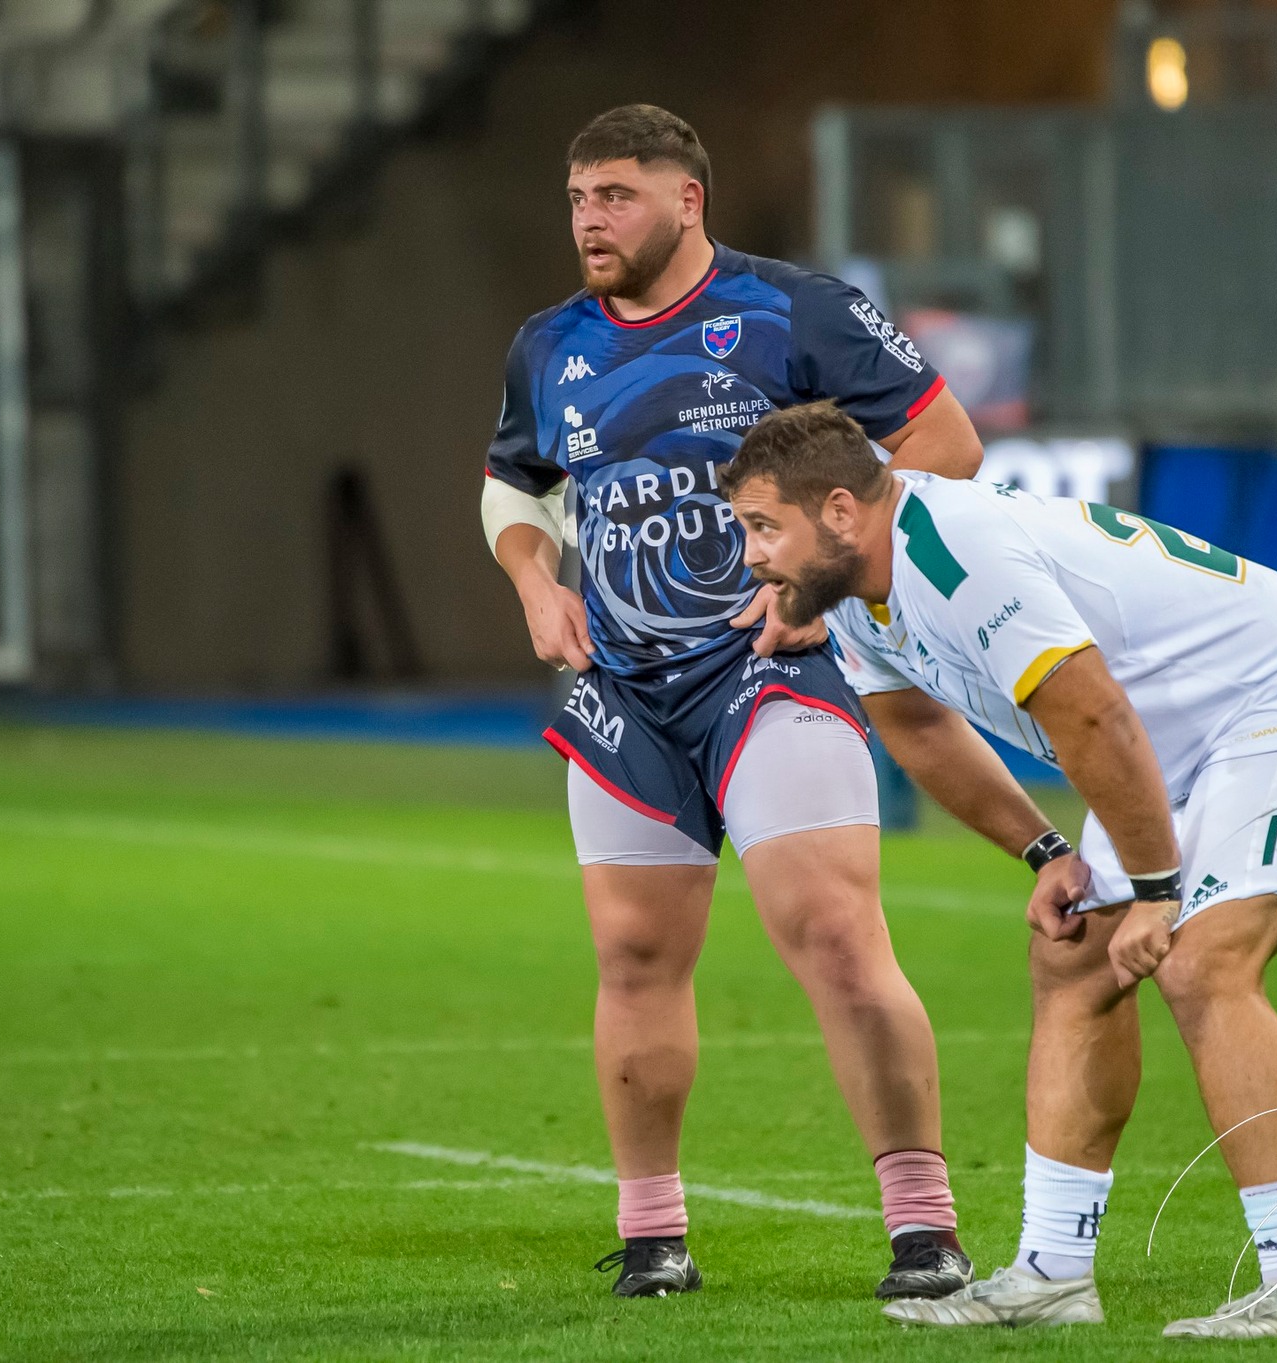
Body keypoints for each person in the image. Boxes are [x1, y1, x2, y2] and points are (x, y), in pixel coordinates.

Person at [718, 402, 1277, 1337]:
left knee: (1203, 964)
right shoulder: (859, 589)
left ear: (839, 510)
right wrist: (1047, 851)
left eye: (763, 526)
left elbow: (1092, 714)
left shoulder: (954, 554)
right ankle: (1052, 1273)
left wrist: (1156, 892)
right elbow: (918, 730)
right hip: (1169, 741)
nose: (752, 555)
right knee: (1075, 957)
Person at [480, 105, 985, 1301]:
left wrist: (824, 578)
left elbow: (948, 444)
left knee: (833, 934)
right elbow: (511, 483)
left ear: (686, 199)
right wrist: (534, 580)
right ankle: (653, 1238)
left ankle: (923, 1228)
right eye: (577, 198)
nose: (589, 219)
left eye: (615, 195)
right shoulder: (548, 345)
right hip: (625, 691)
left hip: (771, 665)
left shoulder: (792, 311)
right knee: (632, 953)